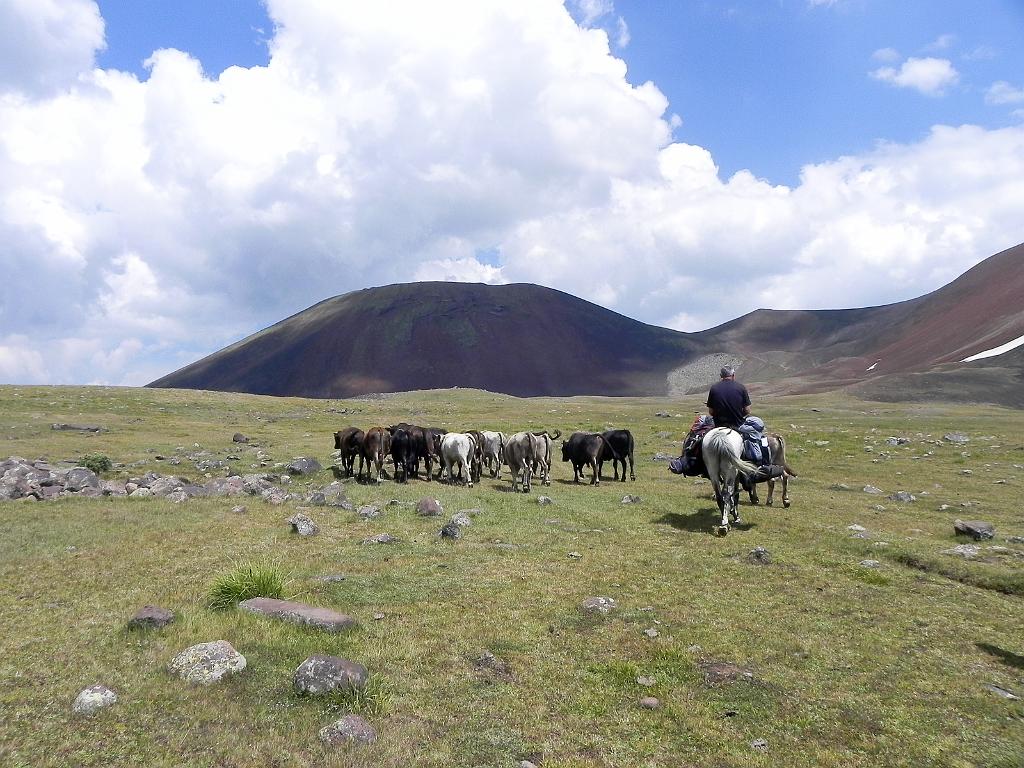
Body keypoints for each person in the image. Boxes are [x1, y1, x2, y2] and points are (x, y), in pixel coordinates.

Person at [706, 365, 785, 482]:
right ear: (733, 375)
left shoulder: (714, 388)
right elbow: (748, 410)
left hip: (719, 426)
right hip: (738, 425)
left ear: (721, 376)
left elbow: (711, 412)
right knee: (756, 436)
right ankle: (759, 464)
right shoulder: (741, 388)